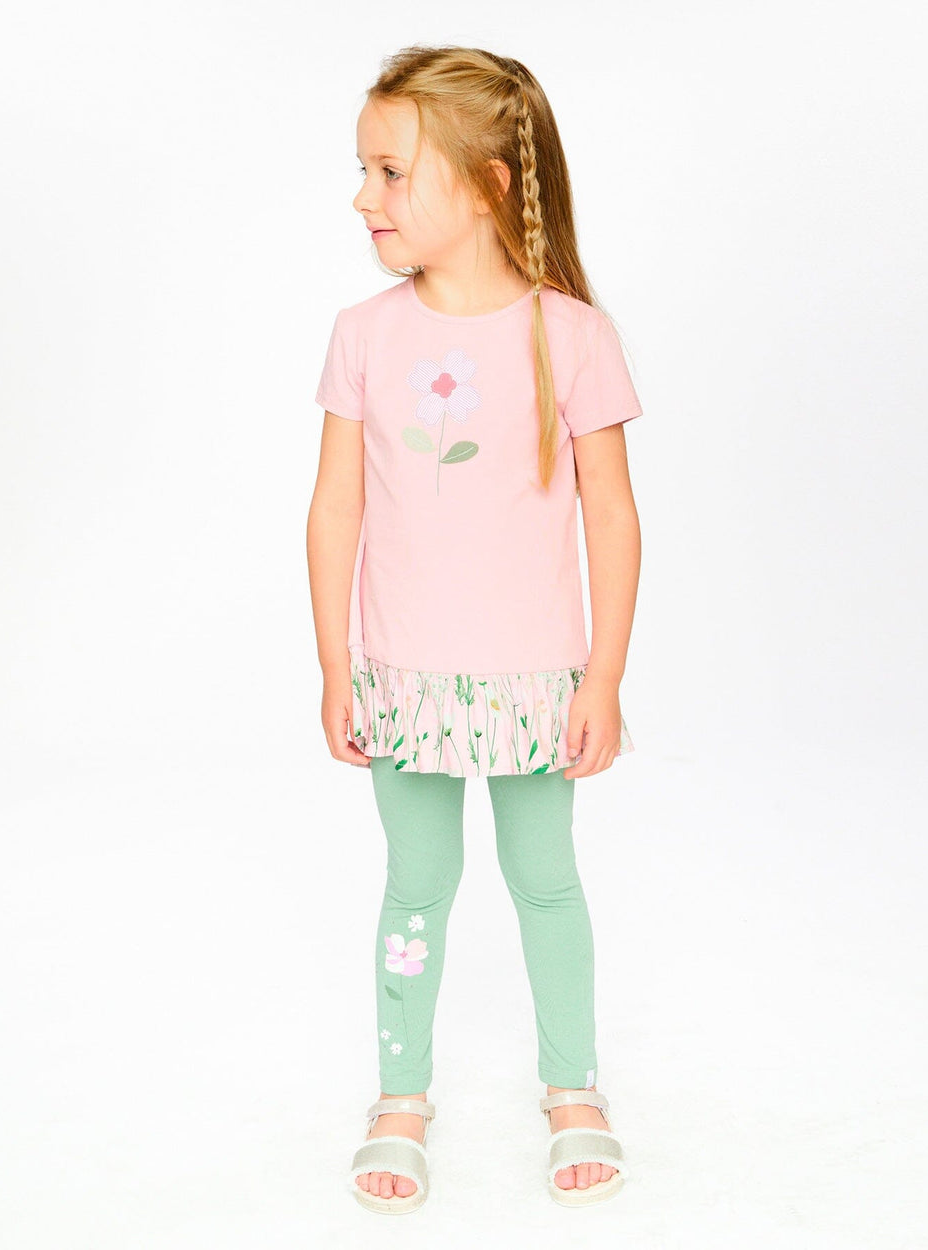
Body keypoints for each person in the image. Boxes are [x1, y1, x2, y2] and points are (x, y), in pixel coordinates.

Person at [307, 45, 642, 1214]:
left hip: (535, 680)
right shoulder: (363, 333)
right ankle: (401, 1096)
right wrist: (336, 664)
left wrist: (602, 676)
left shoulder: (573, 335)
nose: (364, 196)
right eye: (364, 170)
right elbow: (336, 505)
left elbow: (611, 512)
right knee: (415, 887)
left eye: (392, 171)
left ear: (490, 181)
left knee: (545, 883)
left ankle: (572, 1083)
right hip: (402, 678)